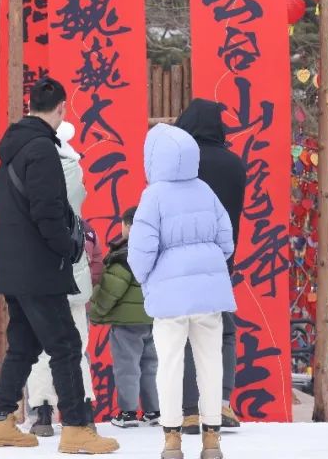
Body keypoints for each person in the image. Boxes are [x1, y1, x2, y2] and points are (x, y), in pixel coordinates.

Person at [0, 77, 119, 454]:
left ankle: (1, 421)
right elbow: (48, 212)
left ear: (30, 106)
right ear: (61, 108)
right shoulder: (43, 149)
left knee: (24, 345)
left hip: (15, 267)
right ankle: (76, 428)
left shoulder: (13, 147)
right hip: (41, 269)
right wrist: (69, 248)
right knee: (66, 345)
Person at [128, 123, 234, 459]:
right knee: (211, 363)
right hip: (209, 295)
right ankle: (212, 439)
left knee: (170, 365)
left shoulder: (153, 195)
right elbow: (226, 242)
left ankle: (172, 440)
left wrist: (148, 279)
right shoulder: (205, 191)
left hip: (169, 298)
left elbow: (141, 250)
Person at [25, 120, 104, 438]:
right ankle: (84, 411)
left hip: (38, 274)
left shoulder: (27, 169)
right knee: (77, 347)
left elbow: (2, 204)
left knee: (41, 350)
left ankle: (43, 412)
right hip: (73, 274)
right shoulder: (74, 170)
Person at [174, 99, 246, 432]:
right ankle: (221, 403)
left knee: (186, 333)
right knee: (223, 331)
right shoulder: (234, 164)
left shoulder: (179, 161)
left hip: (179, 261)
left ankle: (190, 410)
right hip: (219, 260)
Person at [90, 206, 159, 428]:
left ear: (128, 226)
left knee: (127, 367)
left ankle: (128, 413)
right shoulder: (157, 251)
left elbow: (111, 290)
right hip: (154, 319)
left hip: (127, 324)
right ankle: (154, 411)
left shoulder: (125, 256)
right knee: (151, 366)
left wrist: (96, 313)